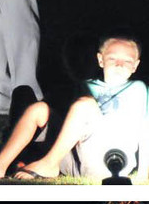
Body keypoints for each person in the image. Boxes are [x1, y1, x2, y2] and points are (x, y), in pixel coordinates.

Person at [18, 36, 149, 186]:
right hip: (74, 162)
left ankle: (48, 163)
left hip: (108, 163)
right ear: (101, 60)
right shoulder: (85, 86)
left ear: (135, 65)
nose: (119, 65)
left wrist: (143, 174)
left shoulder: (138, 89)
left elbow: (145, 132)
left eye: (127, 61)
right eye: (113, 59)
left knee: (84, 105)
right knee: (36, 107)